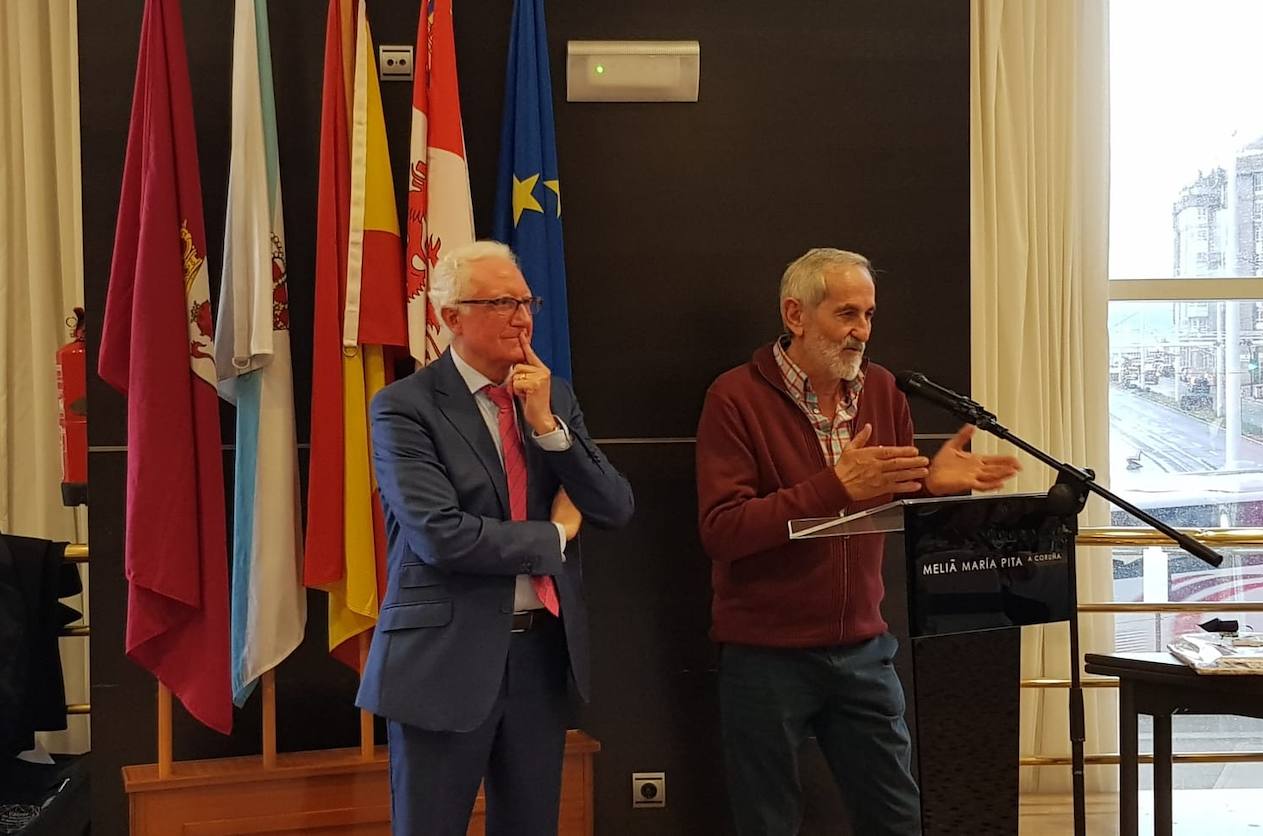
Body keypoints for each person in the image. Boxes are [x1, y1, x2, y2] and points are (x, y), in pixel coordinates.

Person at [695, 247, 1020, 835]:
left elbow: (889, 498)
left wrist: (930, 483)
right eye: (846, 314)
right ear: (796, 315)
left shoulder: (882, 391)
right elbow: (723, 530)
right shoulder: (734, 397)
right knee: (767, 823)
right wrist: (832, 486)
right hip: (766, 656)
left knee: (897, 819)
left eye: (868, 315)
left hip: (864, 649)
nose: (861, 332)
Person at [357, 240, 635, 835]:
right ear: (451, 317)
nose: (523, 317)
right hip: (442, 661)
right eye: (502, 303)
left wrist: (548, 429)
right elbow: (441, 536)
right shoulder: (404, 408)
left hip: (539, 656)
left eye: (526, 301)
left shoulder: (551, 395)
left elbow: (613, 505)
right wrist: (555, 535)